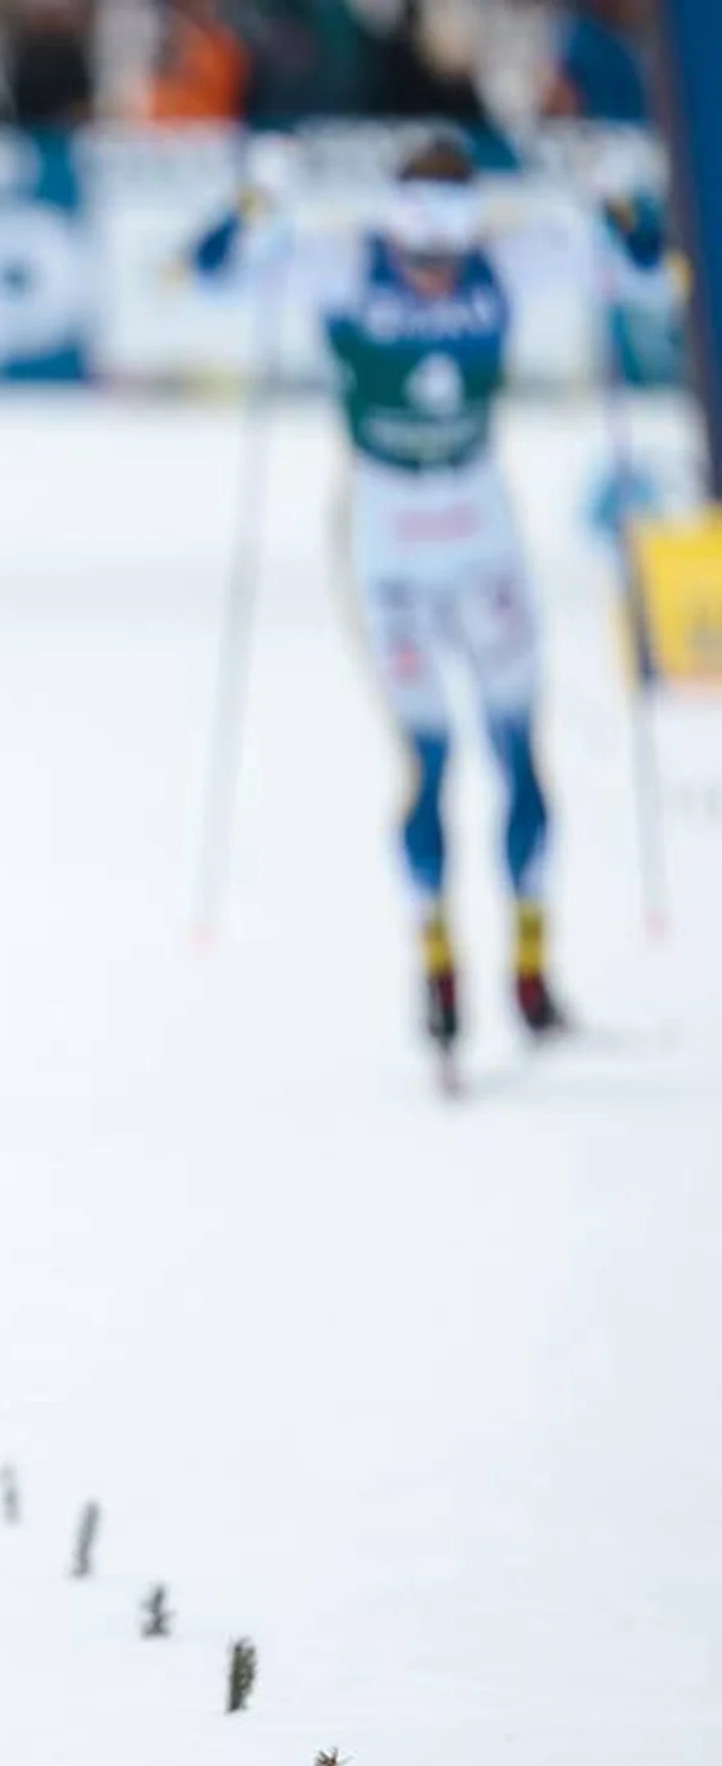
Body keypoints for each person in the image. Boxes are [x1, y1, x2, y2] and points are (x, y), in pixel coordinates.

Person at [193, 132, 669, 1073]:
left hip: (482, 533)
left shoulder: (508, 259)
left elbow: (645, 265)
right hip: (387, 547)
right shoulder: (343, 266)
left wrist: (617, 198)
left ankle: (531, 975)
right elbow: (211, 278)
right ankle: (440, 977)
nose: (438, 282)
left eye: (450, 259)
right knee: (430, 760)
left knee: (518, 754)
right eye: (422, 261)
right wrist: (255, 198)